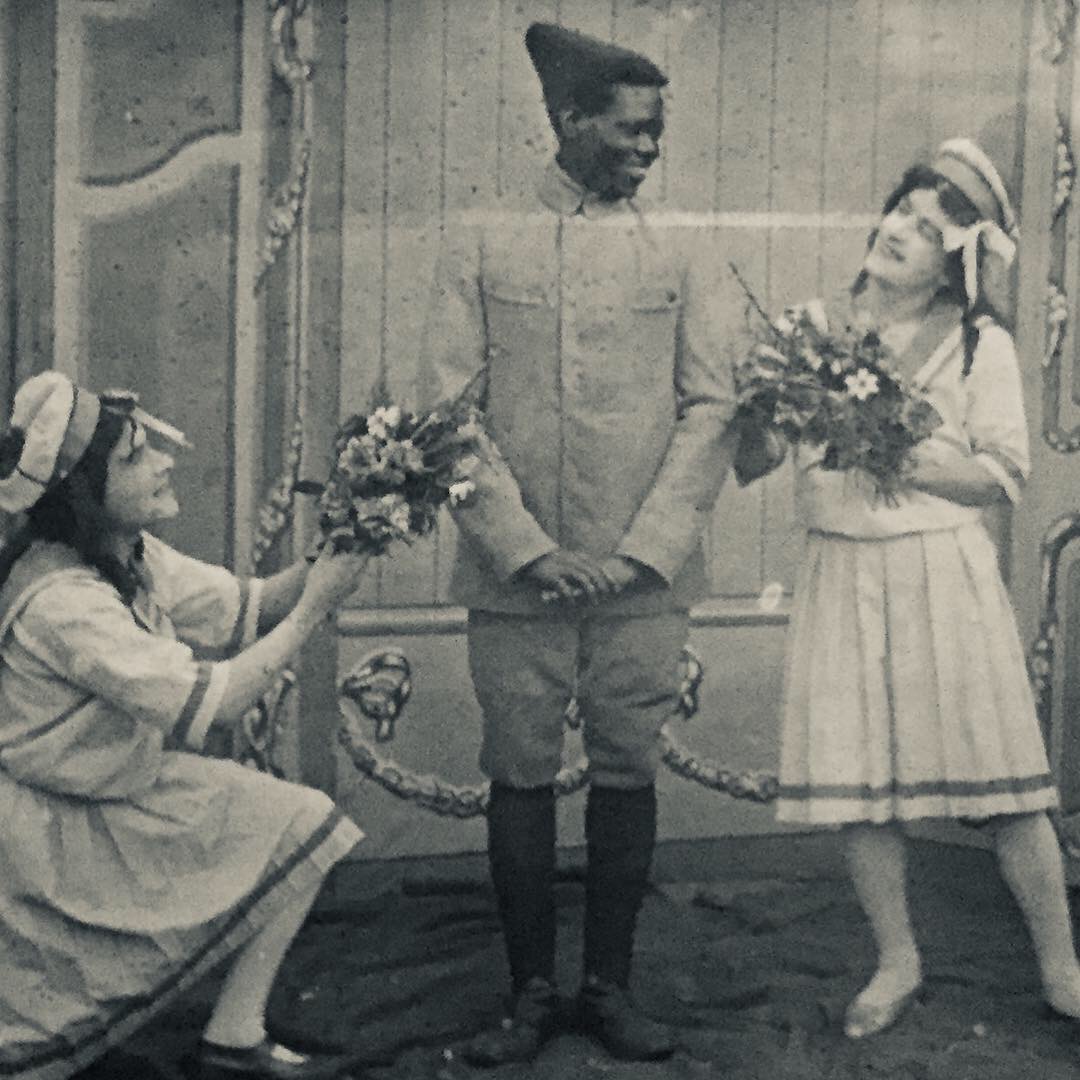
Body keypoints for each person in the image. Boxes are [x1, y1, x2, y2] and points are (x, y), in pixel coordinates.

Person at [418, 21, 737, 1067]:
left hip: (643, 584)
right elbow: (445, 411)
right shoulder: (480, 236)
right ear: (568, 119)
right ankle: (527, 995)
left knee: (628, 774)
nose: (649, 150)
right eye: (631, 130)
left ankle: (609, 987)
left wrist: (641, 550)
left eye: (659, 133)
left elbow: (710, 407)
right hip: (518, 585)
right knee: (516, 776)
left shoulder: (685, 245)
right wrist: (521, 546)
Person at [774, 137, 1080, 1039]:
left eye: (931, 226)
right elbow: (759, 456)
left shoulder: (981, 343)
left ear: (960, 256)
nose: (904, 231)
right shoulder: (807, 327)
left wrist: (891, 442)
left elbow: (1001, 475)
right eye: (902, 210)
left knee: (1006, 784)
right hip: (842, 566)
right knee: (861, 780)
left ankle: (1062, 965)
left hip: (941, 573)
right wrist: (762, 412)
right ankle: (897, 956)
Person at [0, 372, 370, 1079]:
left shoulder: (124, 552)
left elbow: (248, 603)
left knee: (302, 823)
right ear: (83, 488)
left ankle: (234, 1038)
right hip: (48, 829)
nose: (166, 462)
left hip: (117, 784)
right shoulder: (64, 600)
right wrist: (316, 608)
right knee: (54, 1021)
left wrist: (336, 547)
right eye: (138, 457)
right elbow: (217, 702)